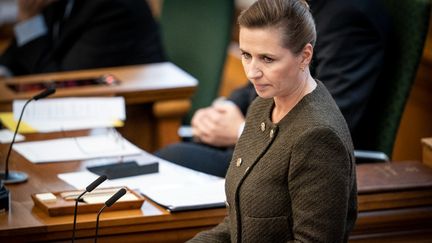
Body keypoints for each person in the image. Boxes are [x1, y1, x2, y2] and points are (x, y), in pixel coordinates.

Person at [155, 0, 390, 177]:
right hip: (259, 144)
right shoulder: (297, 5)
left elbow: (330, 120)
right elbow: (257, 78)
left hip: (300, 167)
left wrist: (240, 131)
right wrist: (225, 109)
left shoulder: (350, 16)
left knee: (168, 161)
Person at [188, 0, 357, 241]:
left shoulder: (318, 136)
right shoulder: (262, 105)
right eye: (246, 55)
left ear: (304, 56)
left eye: (267, 59)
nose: (251, 72)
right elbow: (238, 225)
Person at [0, 0, 165, 77]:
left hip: (136, 122)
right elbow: (15, 58)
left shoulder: (113, 7)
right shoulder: (57, 4)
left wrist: (29, 19)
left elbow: (65, 85)